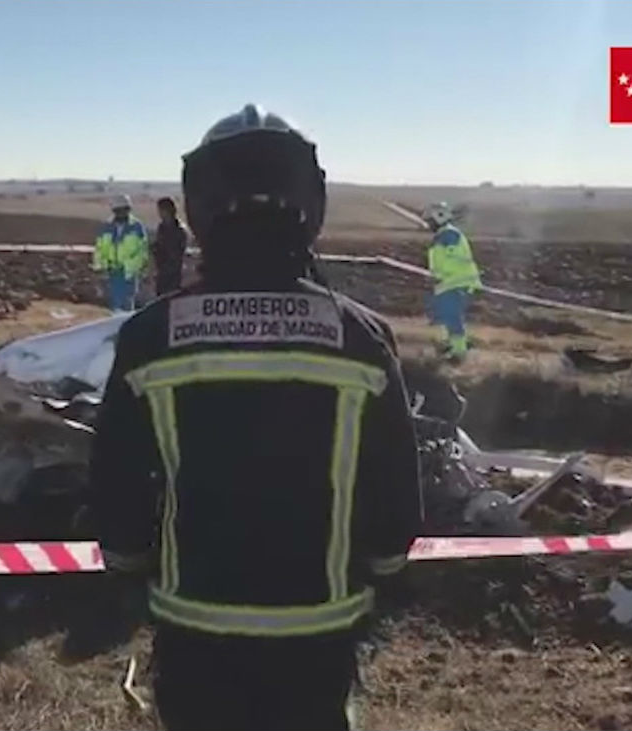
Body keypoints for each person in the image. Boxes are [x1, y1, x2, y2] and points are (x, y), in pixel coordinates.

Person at [89, 104, 423, 731]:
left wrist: (130, 569)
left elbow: (116, 486)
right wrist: (381, 573)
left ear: (200, 207)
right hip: (319, 636)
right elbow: (396, 496)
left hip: (194, 631)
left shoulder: (151, 336)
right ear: (311, 203)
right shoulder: (362, 338)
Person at [421, 201, 482, 361]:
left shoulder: (448, 235)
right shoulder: (444, 235)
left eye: (430, 221)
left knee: (453, 317)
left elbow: (450, 260)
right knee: (448, 316)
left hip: (456, 282)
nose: (428, 225)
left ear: (439, 218)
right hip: (449, 282)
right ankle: (453, 345)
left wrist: (438, 275)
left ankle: (459, 352)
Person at [92, 194, 149, 311]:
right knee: (115, 304)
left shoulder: (136, 226)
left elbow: (142, 249)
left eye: (124, 210)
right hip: (112, 271)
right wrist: (100, 267)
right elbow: (100, 248)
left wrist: (137, 266)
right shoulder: (107, 227)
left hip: (129, 272)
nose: (122, 213)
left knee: (128, 303)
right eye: (119, 210)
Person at [152, 196, 189, 296]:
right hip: (162, 271)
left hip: (173, 272)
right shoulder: (162, 228)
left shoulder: (179, 229)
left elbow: (178, 251)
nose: (159, 213)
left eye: (161, 210)